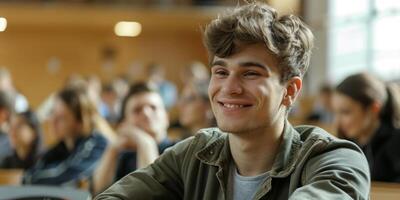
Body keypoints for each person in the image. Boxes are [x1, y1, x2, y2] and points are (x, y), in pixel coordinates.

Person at [95, 2, 370, 199]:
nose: (229, 88)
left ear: (290, 90)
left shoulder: (335, 160)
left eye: (250, 73)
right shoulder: (193, 154)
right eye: (221, 72)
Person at [93, 82, 175, 194]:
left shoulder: (179, 152)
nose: (146, 113)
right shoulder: (125, 157)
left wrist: (146, 143)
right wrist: (112, 150)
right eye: (137, 110)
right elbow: (98, 192)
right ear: (125, 122)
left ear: (167, 117)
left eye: (153, 107)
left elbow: (151, 196)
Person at [23, 87, 107, 187]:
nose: (53, 121)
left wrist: (30, 178)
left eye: (61, 118)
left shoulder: (97, 144)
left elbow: (69, 175)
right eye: (52, 113)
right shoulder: (60, 148)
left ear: (81, 121)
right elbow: (31, 174)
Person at [332, 72, 400, 182]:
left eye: (345, 112)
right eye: (335, 113)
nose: (337, 122)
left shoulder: (396, 144)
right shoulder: (344, 145)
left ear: (373, 109)